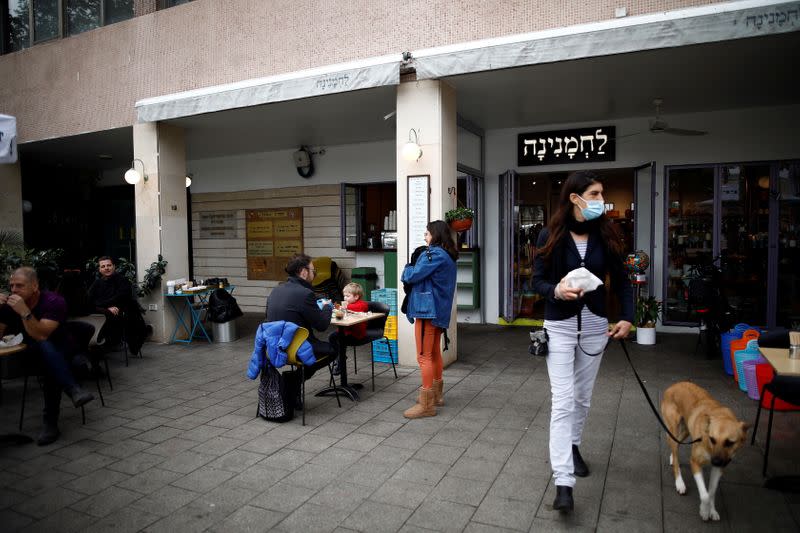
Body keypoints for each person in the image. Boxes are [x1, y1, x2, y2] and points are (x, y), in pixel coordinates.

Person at [532, 170, 633, 512]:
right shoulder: (551, 234)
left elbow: (622, 280)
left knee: (582, 398)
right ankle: (563, 483)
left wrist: (628, 317)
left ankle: (573, 446)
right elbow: (538, 281)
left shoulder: (607, 234)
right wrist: (556, 290)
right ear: (575, 198)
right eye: (594, 194)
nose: (600, 200)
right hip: (558, 328)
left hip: (594, 328)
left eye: (600, 194)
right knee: (562, 402)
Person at [0, 267, 94, 446]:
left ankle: (50, 423)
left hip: (60, 350)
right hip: (28, 356)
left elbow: (42, 335)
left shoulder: (53, 301)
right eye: (11, 286)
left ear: (35, 286)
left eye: (19, 286)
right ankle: (73, 388)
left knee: (48, 359)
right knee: (48, 356)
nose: (13, 290)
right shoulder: (9, 307)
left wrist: (24, 312)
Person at [401, 220, 458, 419]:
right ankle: (436, 395)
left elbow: (413, 275)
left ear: (436, 235)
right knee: (434, 353)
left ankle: (426, 404)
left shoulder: (433, 254)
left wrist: (406, 269)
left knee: (423, 356)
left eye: (427, 234)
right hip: (438, 310)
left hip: (427, 311)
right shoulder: (448, 256)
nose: (425, 237)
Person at [264, 253, 336, 380]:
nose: (315, 275)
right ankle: (293, 381)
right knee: (336, 348)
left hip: (274, 347)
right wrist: (327, 306)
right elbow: (322, 325)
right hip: (296, 348)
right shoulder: (305, 293)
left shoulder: (276, 290)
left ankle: (292, 384)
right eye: (314, 271)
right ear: (304, 272)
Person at [87, 256, 133, 347]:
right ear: (99, 269)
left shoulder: (122, 280)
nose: (106, 268)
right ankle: (93, 342)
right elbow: (89, 298)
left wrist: (103, 306)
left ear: (114, 266)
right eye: (103, 266)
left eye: (109, 265)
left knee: (110, 315)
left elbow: (120, 298)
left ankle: (105, 343)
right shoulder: (97, 282)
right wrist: (105, 307)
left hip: (119, 310)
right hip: (102, 309)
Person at [328, 282, 369, 375]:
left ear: (356, 297)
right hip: (345, 331)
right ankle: (340, 358)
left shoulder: (361, 304)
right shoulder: (348, 306)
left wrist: (342, 307)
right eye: (344, 296)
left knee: (339, 340)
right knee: (332, 337)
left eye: (347, 296)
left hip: (356, 334)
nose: (345, 298)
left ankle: (340, 361)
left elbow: (358, 307)